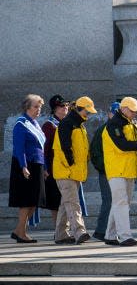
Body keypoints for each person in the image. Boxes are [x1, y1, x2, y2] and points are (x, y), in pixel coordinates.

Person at [52, 96, 97, 245]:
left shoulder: (78, 125)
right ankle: (80, 232)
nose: (88, 114)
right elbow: (65, 148)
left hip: (72, 171)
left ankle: (60, 235)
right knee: (73, 203)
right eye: (87, 111)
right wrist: (71, 165)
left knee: (66, 204)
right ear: (79, 109)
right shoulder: (68, 124)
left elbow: (81, 149)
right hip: (67, 172)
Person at [102, 97, 137, 247]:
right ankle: (125, 236)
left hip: (127, 170)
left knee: (119, 203)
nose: (135, 113)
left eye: (136, 111)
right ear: (124, 109)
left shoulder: (130, 122)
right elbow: (122, 145)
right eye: (132, 111)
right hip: (117, 170)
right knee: (121, 203)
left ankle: (110, 235)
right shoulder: (114, 124)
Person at [9, 94, 46, 243]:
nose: (38, 110)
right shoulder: (21, 124)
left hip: (37, 165)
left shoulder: (35, 123)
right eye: (36, 107)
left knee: (34, 201)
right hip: (25, 165)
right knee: (26, 201)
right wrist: (23, 166)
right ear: (27, 107)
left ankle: (18, 231)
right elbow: (19, 147)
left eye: (40, 107)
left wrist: (45, 168)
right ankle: (21, 233)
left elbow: (41, 148)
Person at [87, 101, 119, 241]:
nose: (117, 116)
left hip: (120, 172)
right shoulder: (103, 130)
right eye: (115, 113)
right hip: (107, 172)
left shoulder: (124, 128)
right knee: (109, 201)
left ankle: (110, 230)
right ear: (109, 113)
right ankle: (101, 231)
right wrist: (105, 168)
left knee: (116, 202)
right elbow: (95, 153)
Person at [41, 95, 70, 232]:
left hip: (68, 169)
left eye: (66, 105)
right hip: (54, 169)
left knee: (66, 201)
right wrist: (45, 168)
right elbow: (44, 150)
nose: (65, 108)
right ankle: (59, 231)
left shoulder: (68, 123)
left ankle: (65, 230)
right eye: (61, 106)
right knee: (56, 203)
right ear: (54, 109)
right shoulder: (49, 125)